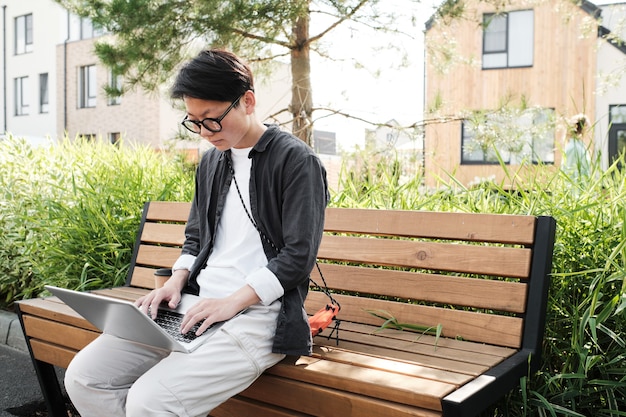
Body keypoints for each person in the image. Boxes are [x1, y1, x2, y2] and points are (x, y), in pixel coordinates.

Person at [64, 49, 329, 416]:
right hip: (194, 305)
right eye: (194, 122)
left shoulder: (296, 161)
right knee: (85, 377)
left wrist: (230, 302)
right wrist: (175, 282)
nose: (205, 133)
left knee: (150, 403)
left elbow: (298, 258)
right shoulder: (210, 162)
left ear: (247, 102)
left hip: (258, 315)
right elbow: (196, 238)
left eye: (212, 120)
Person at [562, 114, 591, 181]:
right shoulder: (574, 147)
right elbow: (570, 173)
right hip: (575, 189)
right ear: (584, 127)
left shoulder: (581, 146)